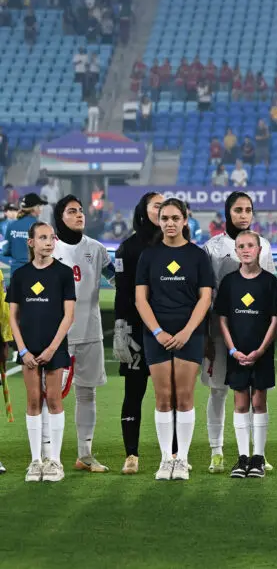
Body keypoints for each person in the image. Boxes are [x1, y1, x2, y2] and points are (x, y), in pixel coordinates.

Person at [134, 198, 215, 480]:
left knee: (184, 397)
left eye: (175, 218)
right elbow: (140, 299)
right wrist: (158, 332)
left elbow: (205, 298)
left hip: (189, 335)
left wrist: (187, 332)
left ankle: (182, 459)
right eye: (164, 218)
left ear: (185, 220)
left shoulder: (197, 256)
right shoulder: (149, 256)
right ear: (159, 221)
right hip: (156, 334)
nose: (169, 223)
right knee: (163, 398)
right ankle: (165, 459)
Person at [203, 192, 275, 474]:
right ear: (227, 213)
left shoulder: (263, 245)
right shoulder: (212, 247)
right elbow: (208, 295)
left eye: (248, 210)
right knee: (220, 390)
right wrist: (208, 334)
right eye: (237, 210)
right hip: (222, 331)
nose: (243, 214)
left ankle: (257, 453)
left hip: (254, 331)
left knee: (256, 391)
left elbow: (269, 288)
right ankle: (217, 450)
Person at [52, 195, 114, 474]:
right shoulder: (51, 247)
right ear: (60, 216)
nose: (79, 215)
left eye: (80, 211)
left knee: (87, 394)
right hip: (57, 336)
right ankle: (47, 454)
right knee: (50, 395)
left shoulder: (97, 249)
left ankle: (85, 454)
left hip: (90, 332)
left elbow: (117, 279)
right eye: (72, 211)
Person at [11, 222, 76, 482]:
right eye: (42, 238)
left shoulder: (63, 273)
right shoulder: (21, 275)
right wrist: (23, 349)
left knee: (54, 400)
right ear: (31, 242)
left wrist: (51, 348)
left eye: (51, 238)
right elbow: (13, 316)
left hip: (54, 348)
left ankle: (55, 461)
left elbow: (68, 315)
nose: (48, 242)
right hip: (29, 349)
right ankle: (36, 461)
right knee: (33, 401)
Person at [215, 231, 277, 478]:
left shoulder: (270, 282)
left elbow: (276, 319)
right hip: (237, 353)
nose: (245, 249)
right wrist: (232, 350)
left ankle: (258, 458)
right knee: (241, 403)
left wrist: (261, 350)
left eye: (250, 245)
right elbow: (222, 318)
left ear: (259, 249)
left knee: (258, 402)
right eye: (240, 246)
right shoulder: (230, 282)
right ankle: (242, 458)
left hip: (261, 352)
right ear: (236, 250)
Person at [112, 192, 164, 474]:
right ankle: (131, 454)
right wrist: (121, 327)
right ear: (144, 211)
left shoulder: (175, 246)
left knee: (169, 393)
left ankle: (173, 452)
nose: (162, 209)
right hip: (135, 330)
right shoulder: (127, 248)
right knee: (134, 391)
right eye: (157, 205)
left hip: (166, 331)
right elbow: (122, 292)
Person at [3, 193, 47, 277]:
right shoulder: (39, 226)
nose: (41, 209)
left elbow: (7, 250)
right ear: (35, 208)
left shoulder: (12, 225)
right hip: (34, 272)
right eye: (40, 206)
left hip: (15, 272)